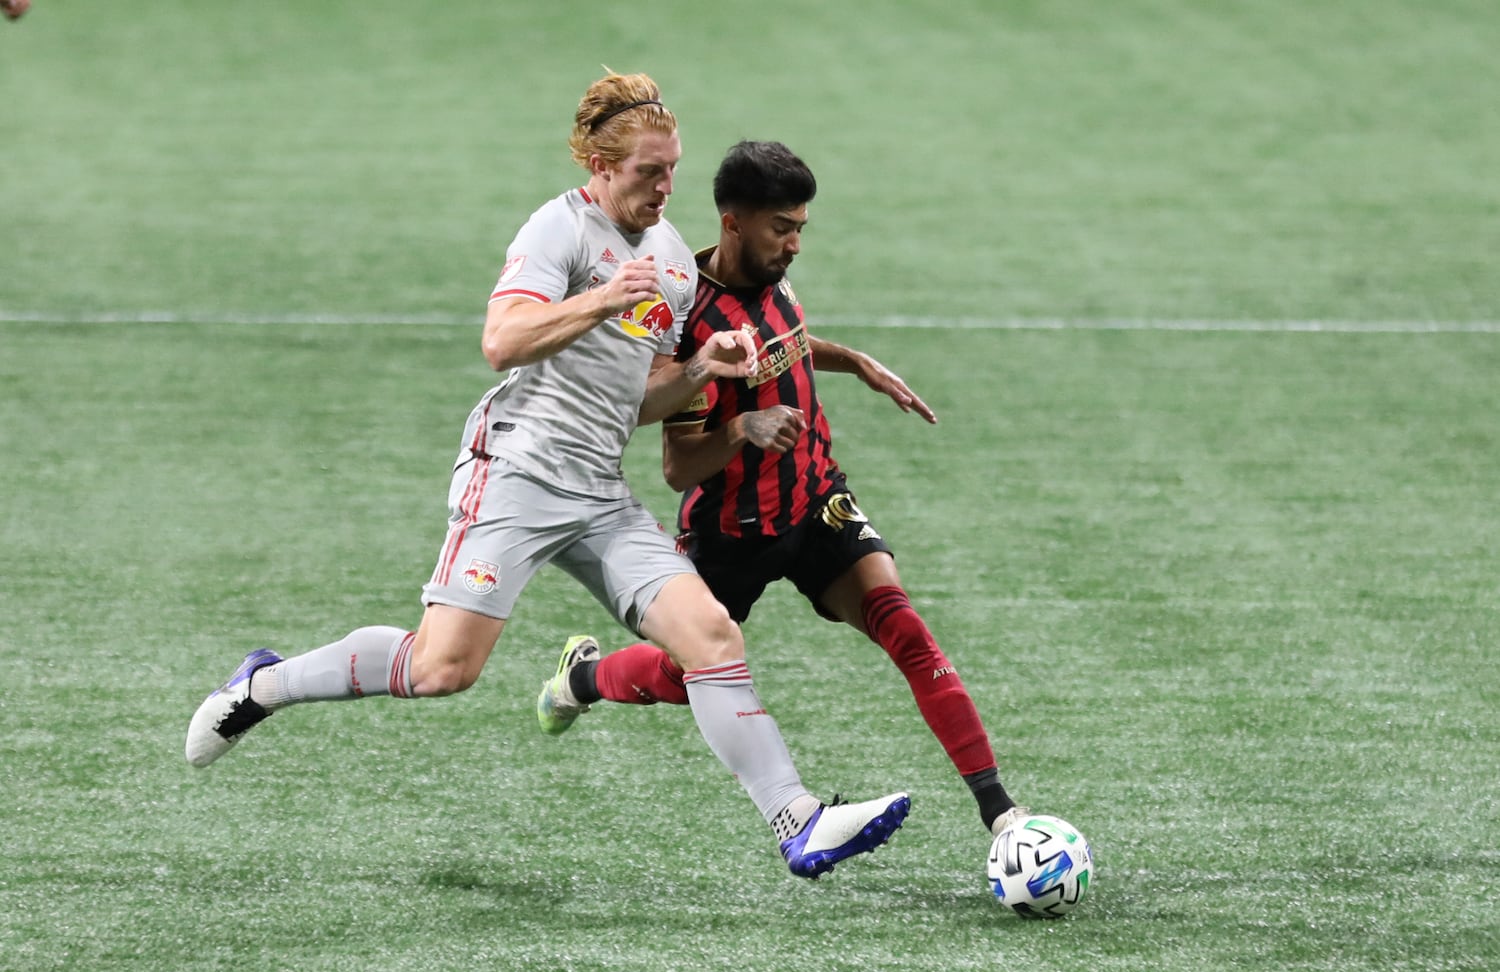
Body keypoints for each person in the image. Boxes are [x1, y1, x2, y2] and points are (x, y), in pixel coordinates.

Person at [185, 77, 910, 880]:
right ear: (601, 165)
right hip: (518, 472)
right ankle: (268, 683)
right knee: (441, 670)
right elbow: (502, 341)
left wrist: (702, 366)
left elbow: (638, 401)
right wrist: (601, 300)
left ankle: (798, 820)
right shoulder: (558, 229)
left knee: (710, 635)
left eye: (673, 170)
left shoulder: (670, 258)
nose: (667, 189)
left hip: (598, 489)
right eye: (648, 172)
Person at [536, 140, 1027, 841]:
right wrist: (745, 430)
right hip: (732, 532)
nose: (795, 243)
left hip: (816, 502)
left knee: (906, 629)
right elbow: (678, 467)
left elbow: (785, 339)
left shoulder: (774, 276)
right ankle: (582, 679)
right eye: (782, 228)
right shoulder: (688, 321)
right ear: (734, 223)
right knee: (682, 678)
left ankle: (1001, 814)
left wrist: (853, 362)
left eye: (801, 227)